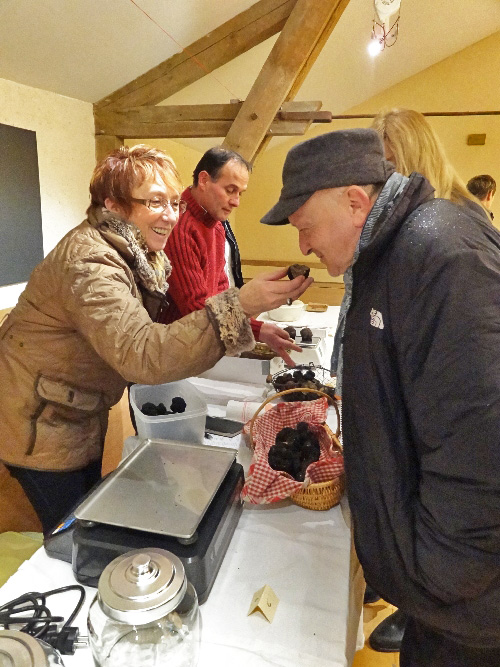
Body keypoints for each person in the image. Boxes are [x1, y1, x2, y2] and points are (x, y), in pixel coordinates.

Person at [261, 128, 500, 666]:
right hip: (444, 604)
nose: (302, 245)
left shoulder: (441, 254)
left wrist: (437, 574)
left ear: (354, 202)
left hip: (472, 605)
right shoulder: (390, 251)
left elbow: (481, 441)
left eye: (304, 227)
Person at [0, 144, 312, 534]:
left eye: (172, 203)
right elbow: (144, 354)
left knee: (88, 511)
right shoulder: (90, 263)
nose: (170, 215)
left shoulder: (136, 253)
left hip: (72, 406)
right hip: (36, 417)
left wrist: (243, 308)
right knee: (73, 532)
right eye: (154, 202)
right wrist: (240, 305)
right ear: (113, 205)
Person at [158, 146, 302, 366]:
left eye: (240, 193)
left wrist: (258, 330)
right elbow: (196, 311)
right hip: (174, 353)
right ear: (204, 180)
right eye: (230, 190)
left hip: (203, 344)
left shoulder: (215, 224)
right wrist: (254, 324)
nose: (236, 201)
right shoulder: (180, 226)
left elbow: (222, 290)